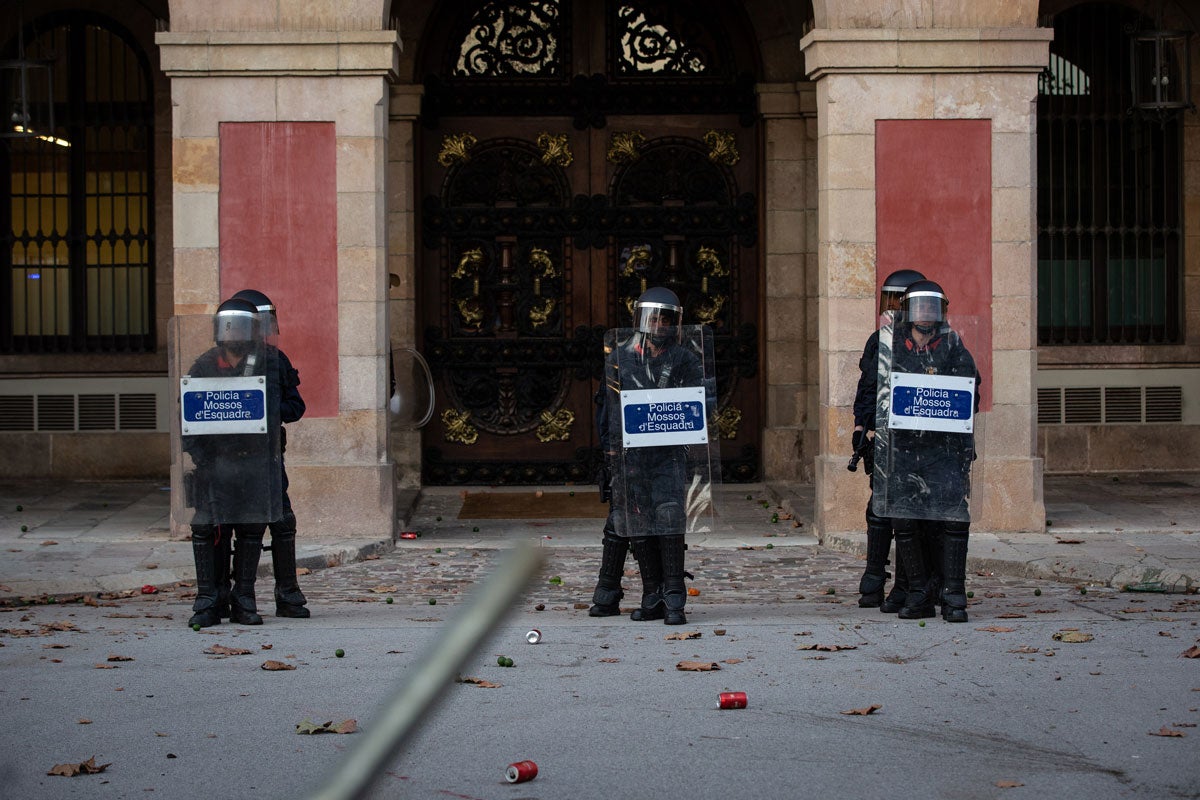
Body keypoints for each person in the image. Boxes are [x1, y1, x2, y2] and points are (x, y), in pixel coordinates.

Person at [603, 287, 705, 625]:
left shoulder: (685, 358)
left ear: (675, 324)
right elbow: (608, 405)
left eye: (665, 319)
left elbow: (702, 401)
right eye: (653, 317)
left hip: (669, 452)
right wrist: (609, 447)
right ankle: (652, 593)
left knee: (669, 511)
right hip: (631, 453)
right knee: (637, 514)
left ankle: (674, 593)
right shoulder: (621, 356)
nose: (658, 324)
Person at [884, 280, 980, 622]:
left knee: (952, 516)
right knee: (905, 519)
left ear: (941, 311)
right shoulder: (893, 345)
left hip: (943, 449)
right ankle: (919, 590)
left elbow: (971, 391)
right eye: (920, 306)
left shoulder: (952, 345)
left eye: (932, 307)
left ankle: (954, 593)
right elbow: (879, 388)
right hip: (905, 448)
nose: (925, 313)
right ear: (909, 311)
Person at [183, 297, 275, 628]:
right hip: (215, 466)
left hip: (254, 462)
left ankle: (244, 599)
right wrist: (202, 457)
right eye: (227, 326)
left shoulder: (268, 362)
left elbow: (287, 407)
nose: (232, 333)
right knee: (205, 528)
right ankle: (208, 600)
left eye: (238, 326)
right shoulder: (203, 366)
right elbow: (188, 414)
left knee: (251, 529)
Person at [231, 289, 310, 618]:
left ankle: (287, 592)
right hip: (230, 457)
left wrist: (266, 408)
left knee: (282, 520)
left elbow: (296, 406)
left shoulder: (276, 360)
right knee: (243, 525)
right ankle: (240, 595)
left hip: (269, 454)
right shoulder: (217, 359)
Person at [851, 269, 925, 612]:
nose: (893, 307)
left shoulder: (932, 341)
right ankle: (873, 580)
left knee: (908, 514)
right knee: (877, 508)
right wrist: (860, 426)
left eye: (899, 300)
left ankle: (908, 585)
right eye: (889, 300)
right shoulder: (878, 339)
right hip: (885, 436)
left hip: (920, 439)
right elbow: (868, 386)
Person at [588, 376, 630, 617]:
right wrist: (611, 453)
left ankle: (662, 591)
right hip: (624, 450)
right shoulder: (620, 361)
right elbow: (606, 414)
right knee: (619, 516)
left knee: (666, 515)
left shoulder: (680, 357)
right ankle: (607, 589)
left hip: (664, 454)